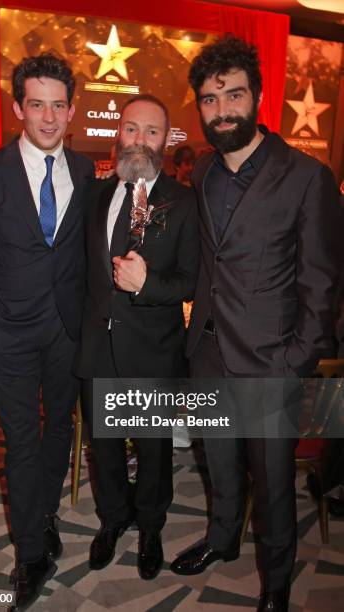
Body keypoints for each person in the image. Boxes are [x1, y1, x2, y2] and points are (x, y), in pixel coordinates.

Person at [169, 35, 341, 612]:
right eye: (210, 100)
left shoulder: (306, 177)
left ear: (259, 97)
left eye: (234, 96)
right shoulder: (204, 175)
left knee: (271, 484)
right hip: (209, 355)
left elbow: (322, 286)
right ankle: (221, 540)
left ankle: (274, 582)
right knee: (218, 462)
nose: (222, 111)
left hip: (273, 361)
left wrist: (295, 360)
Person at [0, 54, 94, 611]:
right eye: (35, 103)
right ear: (18, 107)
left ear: (70, 109)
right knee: (20, 441)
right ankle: (31, 552)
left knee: (58, 429)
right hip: (8, 331)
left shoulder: (85, 170)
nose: (47, 116)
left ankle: (43, 515)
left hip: (66, 327)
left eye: (58, 104)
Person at [74, 94, 199, 580]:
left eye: (151, 132)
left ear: (165, 140)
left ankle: (150, 526)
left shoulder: (184, 202)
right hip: (98, 348)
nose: (140, 140)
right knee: (104, 449)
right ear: (117, 133)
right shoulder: (97, 195)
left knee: (153, 450)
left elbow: (191, 280)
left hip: (153, 353)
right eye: (131, 129)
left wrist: (147, 285)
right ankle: (112, 520)